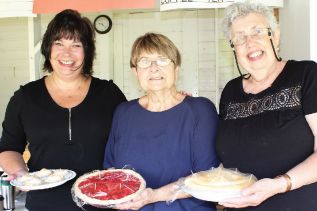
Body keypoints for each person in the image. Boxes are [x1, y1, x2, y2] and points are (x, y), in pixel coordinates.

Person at [0, 9, 126, 211]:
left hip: (100, 203)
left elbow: (132, 136)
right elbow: (8, 147)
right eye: (59, 44)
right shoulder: (25, 97)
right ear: (48, 48)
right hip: (44, 204)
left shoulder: (108, 94)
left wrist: (168, 100)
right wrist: (21, 174)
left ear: (87, 51)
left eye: (76, 45)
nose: (66, 54)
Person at [215, 2, 317, 210]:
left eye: (257, 31)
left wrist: (279, 185)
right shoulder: (230, 91)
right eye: (240, 37)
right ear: (233, 48)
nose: (249, 42)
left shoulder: (306, 75)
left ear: (275, 36)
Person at [103, 32, 219, 211]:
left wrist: (153, 196)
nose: (154, 68)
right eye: (144, 61)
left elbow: (207, 176)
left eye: (163, 60)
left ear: (176, 68)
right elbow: (111, 172)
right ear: (135, 72)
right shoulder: (123, 113)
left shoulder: (200, 110)